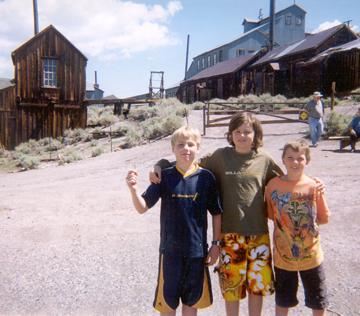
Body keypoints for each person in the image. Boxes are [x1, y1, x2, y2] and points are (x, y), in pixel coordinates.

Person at [151, 112, 283, 316]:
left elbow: (283, 183)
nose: (242, 136)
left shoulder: (265, 159)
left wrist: (312, 185)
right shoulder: (220, 157)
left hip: (259, 235)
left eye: (247, 132)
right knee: (232, 289)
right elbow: (187, 161)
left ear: (255, 134)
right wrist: (160, 164)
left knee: (257, 288)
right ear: (230, 134)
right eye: (237, 131)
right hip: (229, 236)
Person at [126, 125, 222, 316]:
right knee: (168, 304)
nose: (186, 148)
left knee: (191, 303)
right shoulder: (165, 176)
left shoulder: (206, 177)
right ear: (172, 148)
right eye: (180, 145)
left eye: (190, 144)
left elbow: (217, 213)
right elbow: (142, 207)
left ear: (198, 148)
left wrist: (215, 244)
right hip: (170, 252)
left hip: (196, 252)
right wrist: (134, 190)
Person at [265, 140, 330, 316]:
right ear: (283, 160)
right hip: (283, 256)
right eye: (290, 158)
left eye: (300, 158)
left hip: (312, 255)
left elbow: (322, 218)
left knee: (318, 299)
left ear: (307, 161)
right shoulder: (272, 187)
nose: (295, 162)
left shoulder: (314, 186)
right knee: (283, 299)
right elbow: (272, 215)